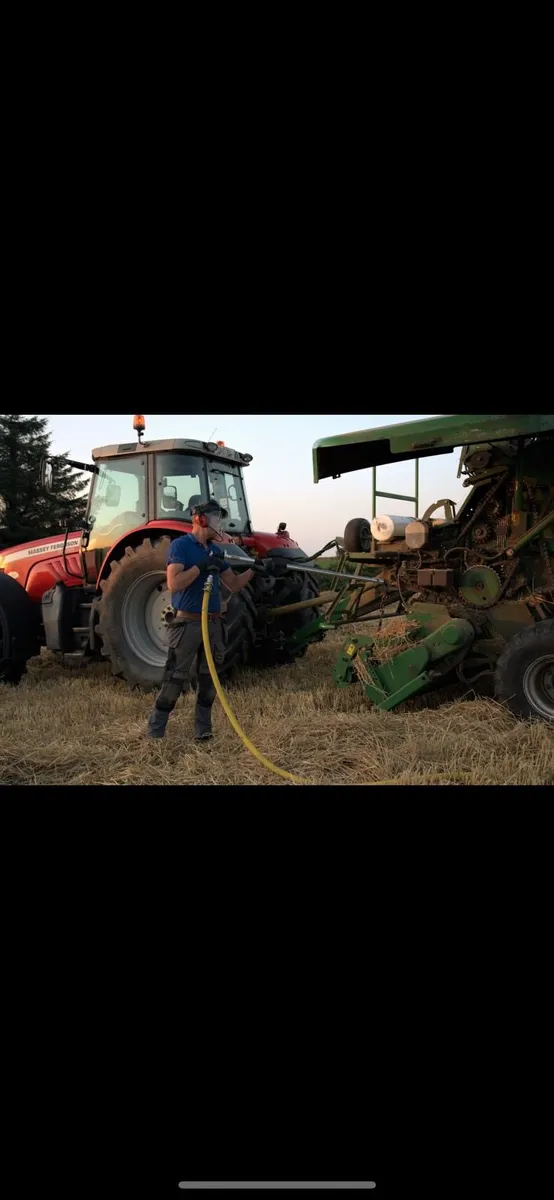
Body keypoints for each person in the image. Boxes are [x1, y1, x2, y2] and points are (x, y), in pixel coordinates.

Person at [145, 499, 266, 742]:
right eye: (215, 517)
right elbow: (174, 583)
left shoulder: (216, 551)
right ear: (200, 519)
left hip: (213, 624)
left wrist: (255, 570)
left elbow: (232, 584)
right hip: (187, 625)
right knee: (175, 678)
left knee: (209, 678)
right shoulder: (181, 547)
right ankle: (155, 732)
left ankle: (203, 731)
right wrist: (200, 567)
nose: (219, 523)